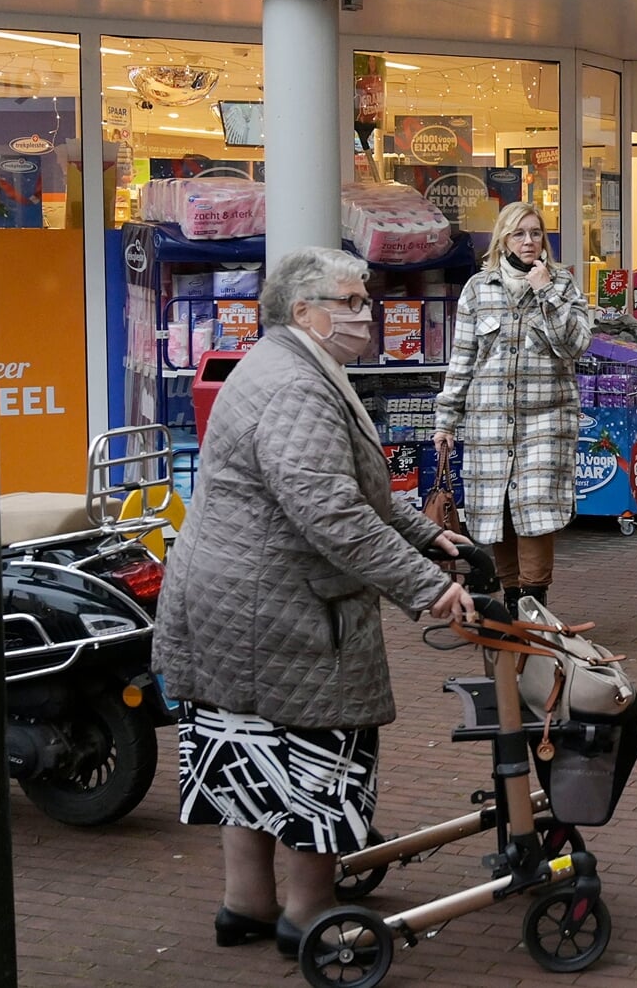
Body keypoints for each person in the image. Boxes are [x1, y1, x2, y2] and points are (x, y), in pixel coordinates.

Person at [152, 248, 478, 959]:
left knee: (245, 750)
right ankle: (309, 912)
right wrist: (430, 588)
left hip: (234, 603)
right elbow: (332, 513)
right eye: (353, 302)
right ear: (306, 312)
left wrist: (431, 538)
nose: (369, 314)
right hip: (283, 612)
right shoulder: (296, 387)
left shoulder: (283, 364)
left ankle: (247, 904)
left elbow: (350, 487)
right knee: (314, 757)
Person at [434, 202, 594, 609]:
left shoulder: (562, 285)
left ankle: (534, 601)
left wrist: (545, 293)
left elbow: (575, 345)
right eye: (519, 234)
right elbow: (463, 358)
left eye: (536, 233)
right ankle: (511, 599)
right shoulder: (478, 288)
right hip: (488, 419)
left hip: (547, 418)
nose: (528, 241)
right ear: (503, 239)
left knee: (536, 507)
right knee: (499, 509)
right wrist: (446, 420)